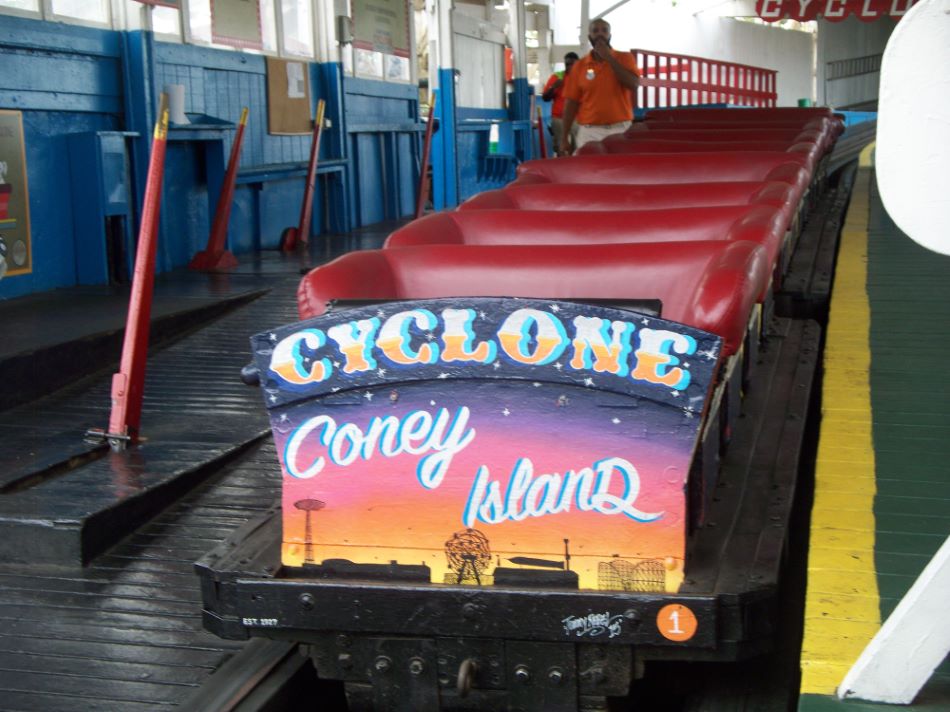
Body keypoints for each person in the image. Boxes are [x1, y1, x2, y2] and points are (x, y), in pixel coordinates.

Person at [559, 18, 640, 155]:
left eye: (604, 30)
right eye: (595, 31)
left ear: (610, 35)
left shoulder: (625, 58)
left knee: (620, 173)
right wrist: (564, 137)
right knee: (586, 173)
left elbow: (633, 84)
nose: (600, 34)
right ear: (589, 37)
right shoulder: (579, 66)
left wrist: (608, 58)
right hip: (589, 131)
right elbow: (571, 103)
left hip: (620, 129)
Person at [541, 52, 579, 155]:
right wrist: (554, 87)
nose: (570, 67)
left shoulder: (582, 78)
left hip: (577, 119)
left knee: (578, 149)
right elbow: (545, 98)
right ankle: (562, 169)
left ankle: (576, 169)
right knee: (561, 147)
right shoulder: (557, 77)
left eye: (573, 64)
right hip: (559, 119)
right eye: (567, 64)